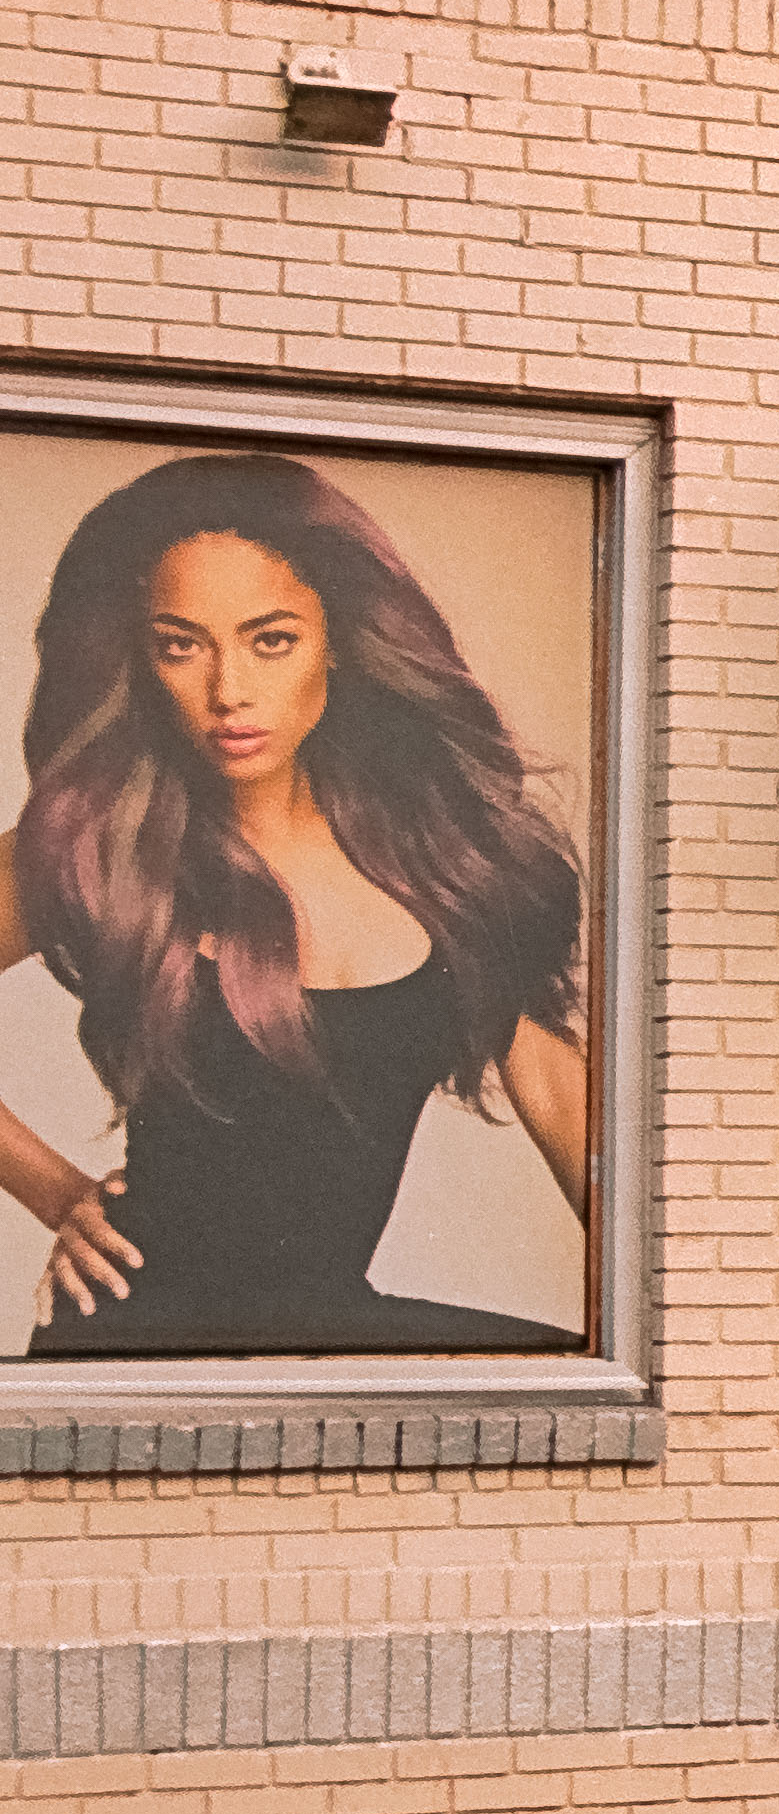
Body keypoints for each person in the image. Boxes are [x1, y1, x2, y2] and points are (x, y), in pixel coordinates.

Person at [7, 448, 593, 1356]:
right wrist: (53, 1191)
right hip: (139, 1339)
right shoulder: (99, 844)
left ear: (339, 642)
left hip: (329, 1333)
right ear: (143, 660)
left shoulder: (446, 869)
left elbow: (563, 1104)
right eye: (180, 645)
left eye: (270, 639)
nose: (228, 691)